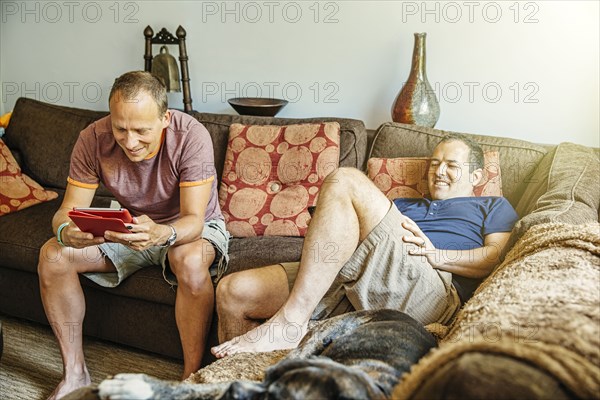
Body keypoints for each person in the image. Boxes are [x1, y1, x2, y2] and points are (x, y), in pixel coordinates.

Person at [211, 133, 518, 358]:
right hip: (353, 276)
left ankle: (291, 322)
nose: (438, 171)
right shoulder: (403, 205)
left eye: (452, 165)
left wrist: (435, 255)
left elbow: (493, 259)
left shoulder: (492, 206)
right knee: (232, 291)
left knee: (345, 179)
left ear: (476, 175)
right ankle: (237, 384)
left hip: (428, 290)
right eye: (435, 163)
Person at [38, 71, 230, 399]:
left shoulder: (190, 136)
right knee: (53, 256)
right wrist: (66, 232)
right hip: (130, 226)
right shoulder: (92, 137)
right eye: (120, 128)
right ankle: (75, 374)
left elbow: (194, 220)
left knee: (188, 258)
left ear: (165, 119)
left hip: (187, 227)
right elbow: (65, 212)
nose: (129, 141)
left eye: (142, 130)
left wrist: (162, 233)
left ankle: (191, 378)